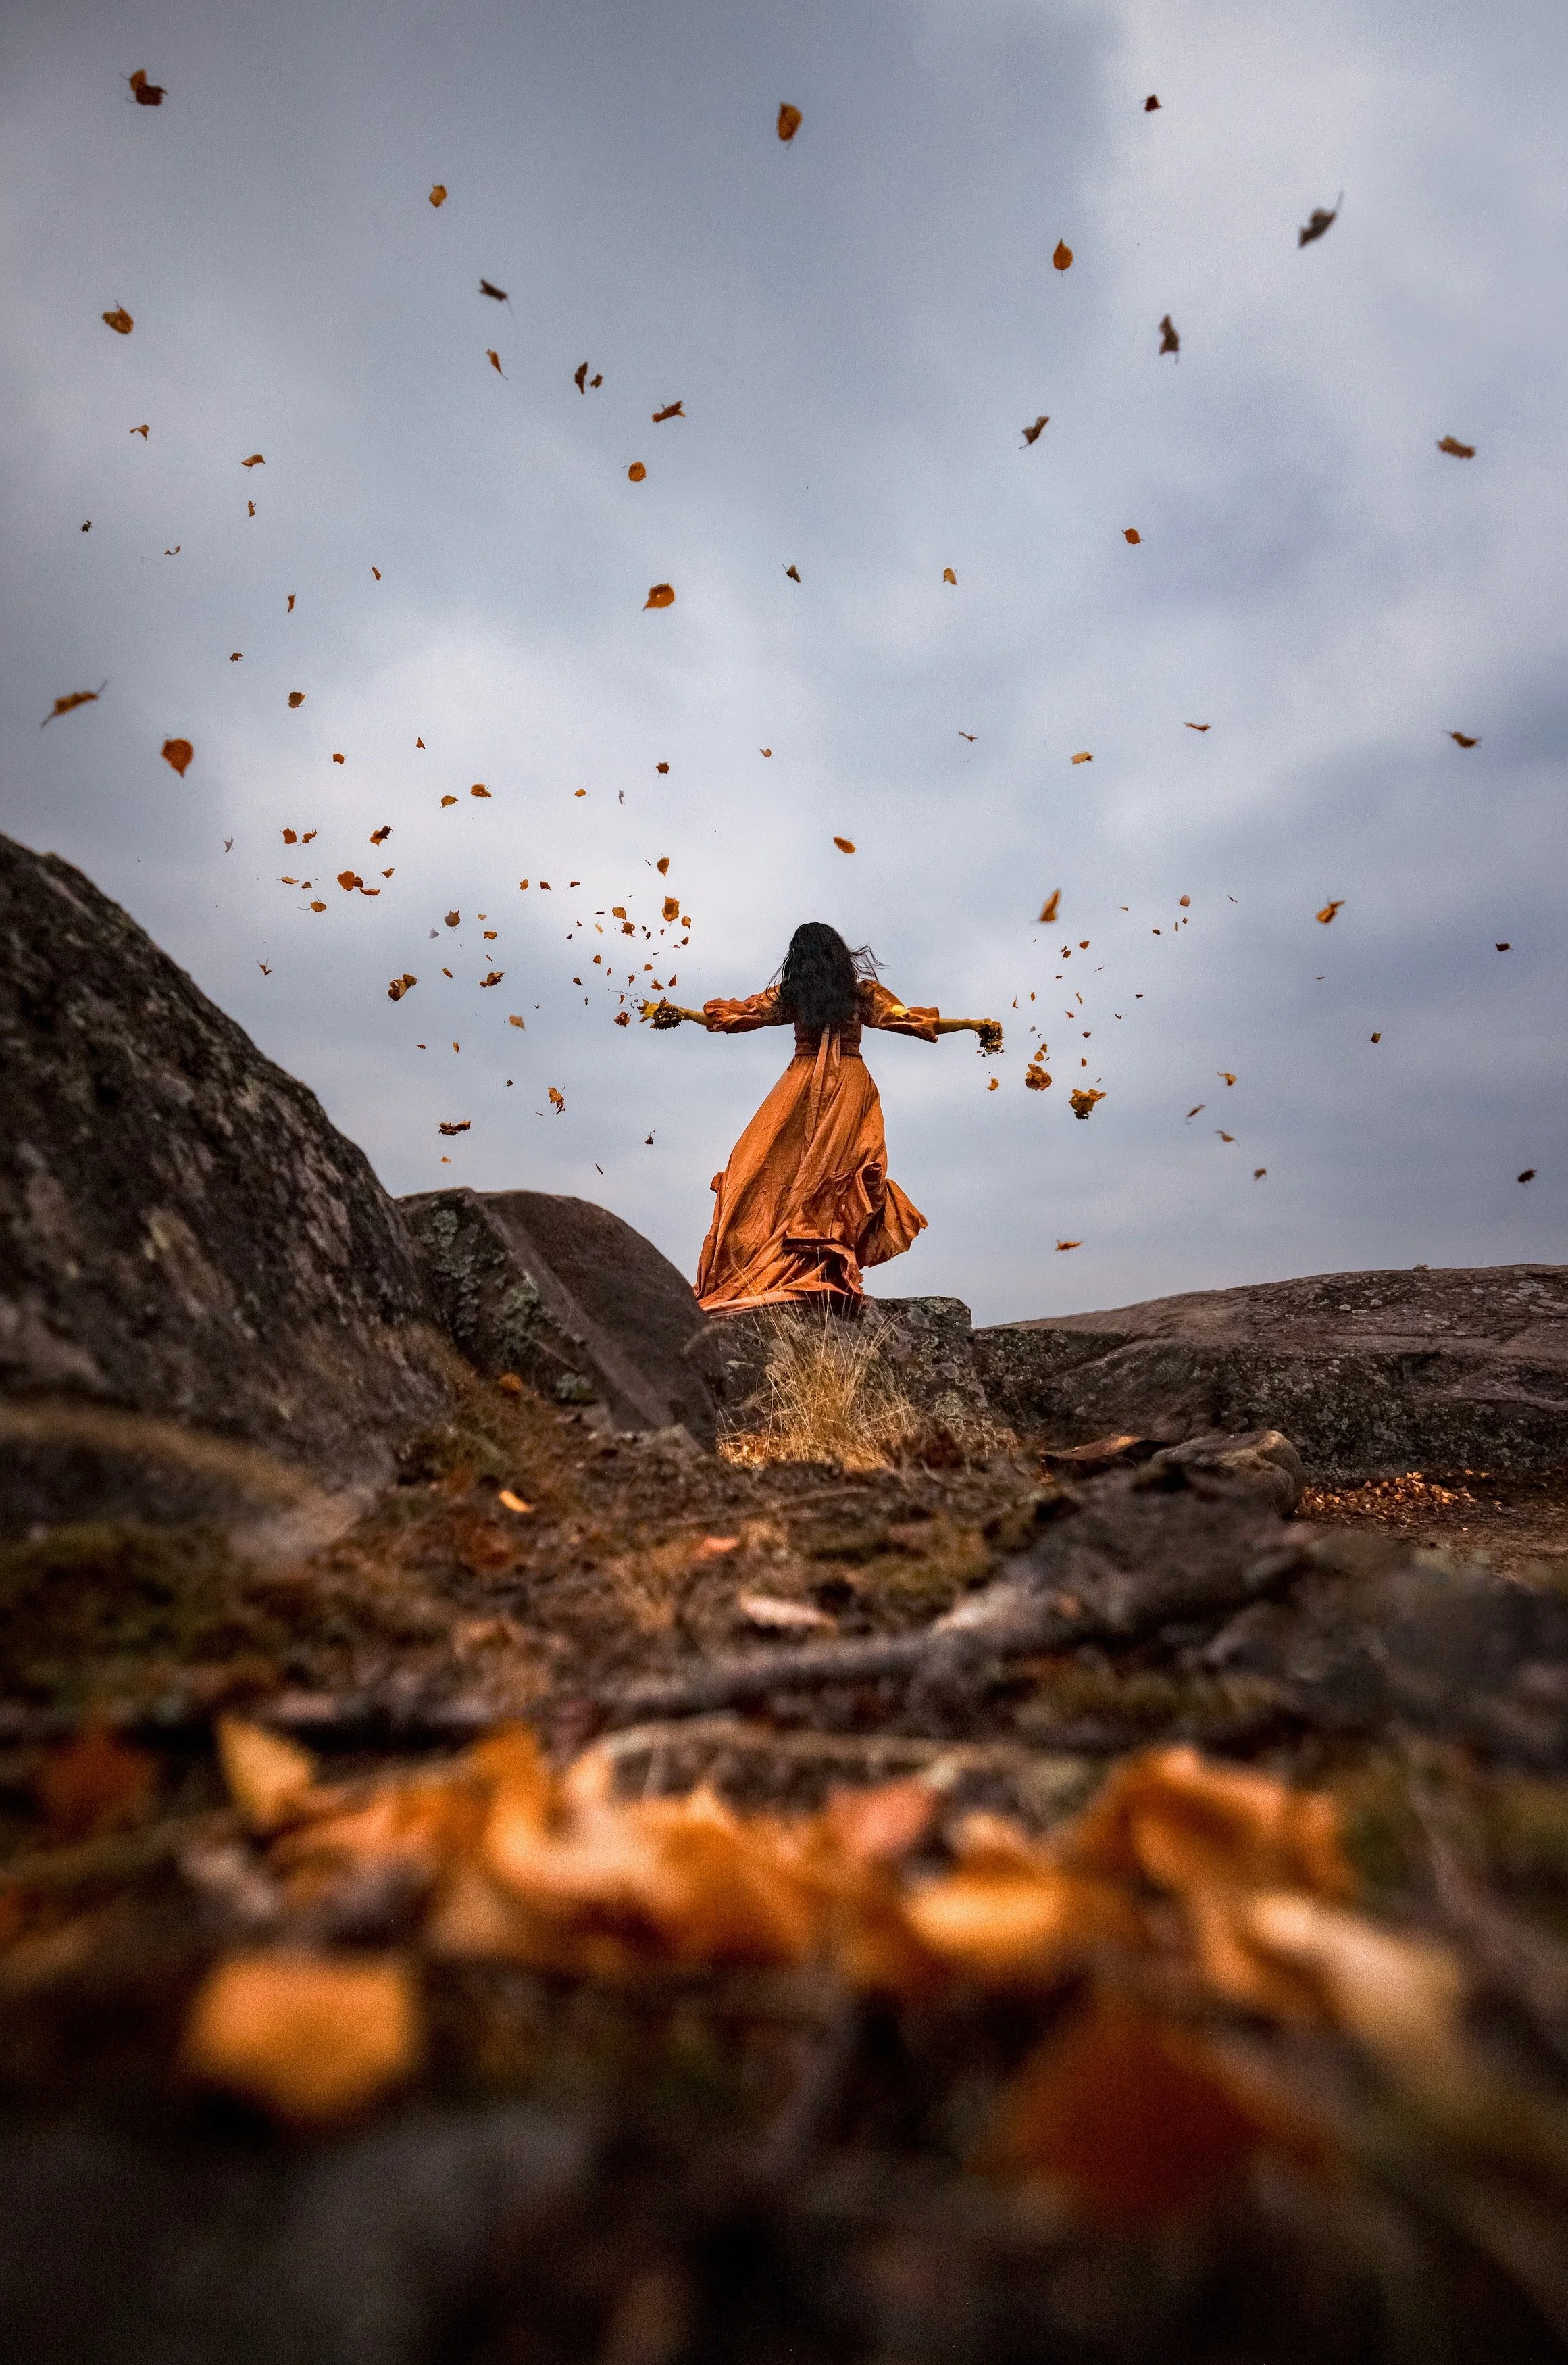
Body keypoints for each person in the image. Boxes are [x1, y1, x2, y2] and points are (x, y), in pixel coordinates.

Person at [644, 921, 1001, 1314]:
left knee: (766, 1172)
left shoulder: (793, 997)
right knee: (838, 1177)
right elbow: (909, 1019)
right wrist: (969, 1024)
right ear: (838, 954)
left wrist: (684, 1013)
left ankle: (786, 1267)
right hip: (848, 1090)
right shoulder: (859, 995)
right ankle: (817, 1266)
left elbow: (734, 1017)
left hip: (798, 1090)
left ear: (798, 960)